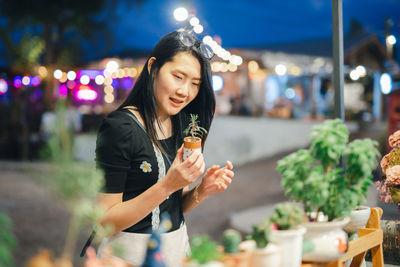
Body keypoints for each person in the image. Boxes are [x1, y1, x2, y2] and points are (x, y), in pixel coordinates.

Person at [93, 30, 234, 267]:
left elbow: (175, 205)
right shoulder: (120, 128)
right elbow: (104, 223)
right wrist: (168, 184)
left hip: (177, 252)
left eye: (195, 84)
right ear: (153, 68)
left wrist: (202, 189)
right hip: (126, 257)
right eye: (178, 76)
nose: (185, 91)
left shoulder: (182, 124)